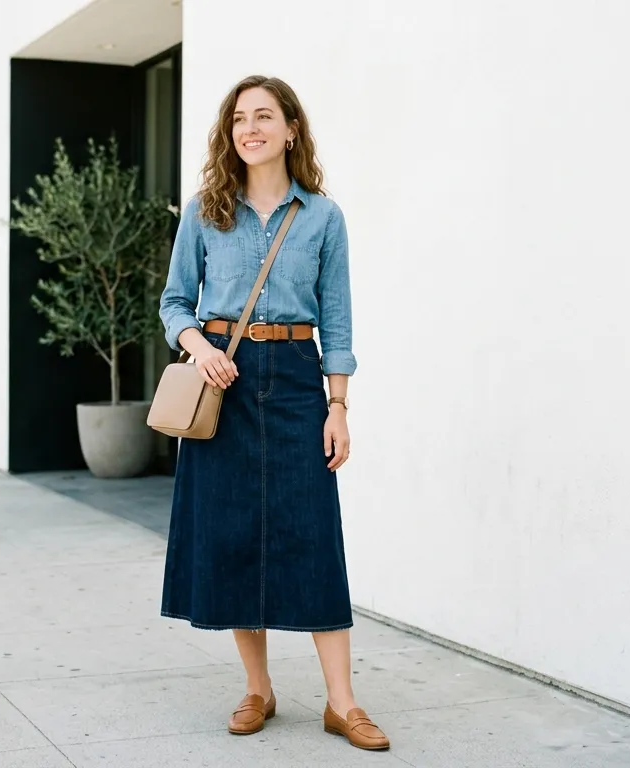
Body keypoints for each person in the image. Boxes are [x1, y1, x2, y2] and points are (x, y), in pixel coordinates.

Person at [157, 75, 386, 750]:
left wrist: (337, 406)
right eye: (238, 119)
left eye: (263, 116)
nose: (249, 129)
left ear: (291, 129)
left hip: (294, 378)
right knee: (233, 534)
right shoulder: (205, 211)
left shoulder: (322, 217)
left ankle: (342, 702)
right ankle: (258, 689)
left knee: (312, 534)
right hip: (222, 381)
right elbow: (174, 303)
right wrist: (201, 348)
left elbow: (337, 320)